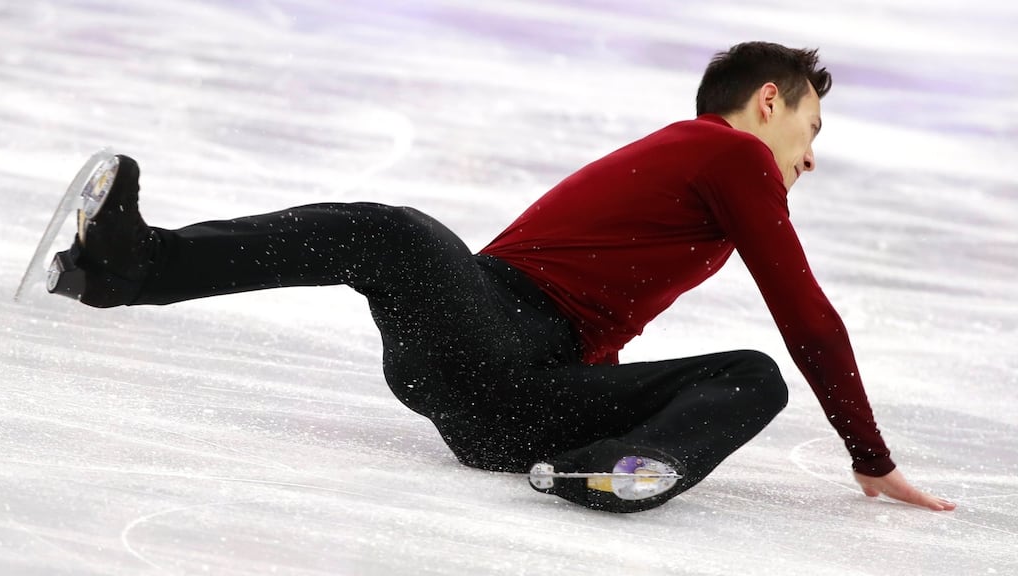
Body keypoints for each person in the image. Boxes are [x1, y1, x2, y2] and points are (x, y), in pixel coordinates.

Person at [49, 41, 955, 513]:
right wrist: (870, 458)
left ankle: (616, 472)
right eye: (811, 130)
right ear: (770, 101)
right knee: (388, 232)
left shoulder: (701, 166)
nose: (808, 157)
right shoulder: (727, 155)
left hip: (511, 405)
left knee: (748, 375)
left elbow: (796, 325)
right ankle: (136, 265)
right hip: (496, 339)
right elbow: (807, 315)